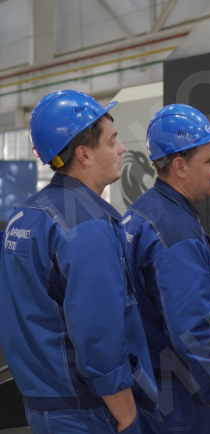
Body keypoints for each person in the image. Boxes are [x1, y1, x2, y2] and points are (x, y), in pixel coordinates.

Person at [0, 90, 157, 434]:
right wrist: (127, 414)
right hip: (87, 410)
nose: (122, 149)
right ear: (84, 154)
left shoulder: (25, 214)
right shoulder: (85, 224)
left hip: (42, 403)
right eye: (112, 141)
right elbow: (98, 333)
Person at [122, 104, 210, 433]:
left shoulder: (142, 211)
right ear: (179, 166)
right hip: (191, 401)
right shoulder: (175, 232)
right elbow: (191, 331)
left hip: (155, 389)